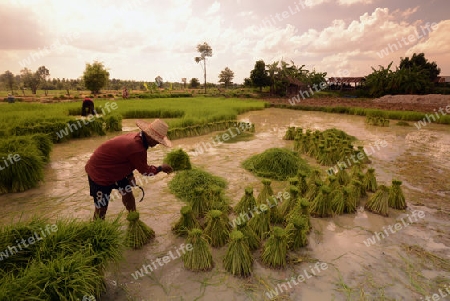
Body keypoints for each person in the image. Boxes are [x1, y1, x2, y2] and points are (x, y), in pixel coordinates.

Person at [85, 119, 174, 220]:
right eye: (157, 140)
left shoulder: (138, 138)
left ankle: (133, 219)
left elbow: (124, 157)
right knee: (101, 206)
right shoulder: (137, 147)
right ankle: (97, 229)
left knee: (127, 192)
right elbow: (146, 171)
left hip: (116, 168)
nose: (158, 143)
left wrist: (130, 175)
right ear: (149, 136)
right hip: (99, 172)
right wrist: (161, 168)